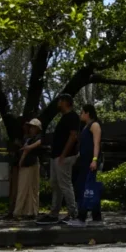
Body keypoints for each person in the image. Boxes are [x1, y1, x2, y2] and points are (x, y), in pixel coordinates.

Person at [38, 94, 80, 225]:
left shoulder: (73, 116)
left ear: (66, 102)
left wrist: (63, 154)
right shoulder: (63, 117)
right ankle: (54, 213)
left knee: (65, 184)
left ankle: (73, 213)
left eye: (60, 101)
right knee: (55, 184)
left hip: (64, 156)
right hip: (56, 156)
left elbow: (73, 136)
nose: (58, 103)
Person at [66, 104, 103, 227]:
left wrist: (95, 159)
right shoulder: (85, 127)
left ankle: (82, 218)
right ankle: (97, 217)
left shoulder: (95, 125)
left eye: (82, 112)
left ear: (88, 113)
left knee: (84, 188)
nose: (81, 115)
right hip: (83, 160)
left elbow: (96, 144)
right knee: (88, 188)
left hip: (90, 161)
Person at [14, 119, 44, 218]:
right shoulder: (27, 139)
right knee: (23, 188)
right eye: (31, 127)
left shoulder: (37, 138)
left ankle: (31, 211)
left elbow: (39, 143)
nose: (31, 129)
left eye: (33, 127)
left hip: (33, 163)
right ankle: (19, 211)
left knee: (33, 188)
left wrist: (29, 148)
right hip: (27, 165)